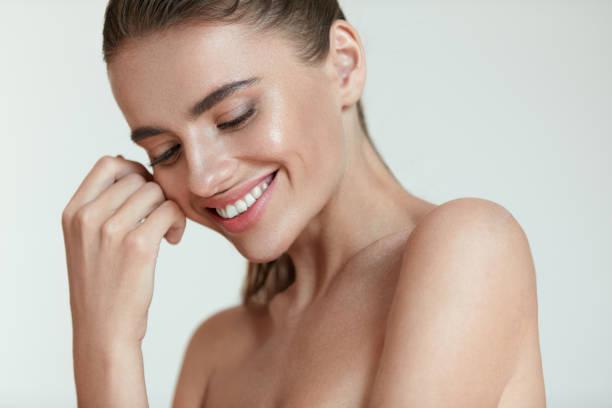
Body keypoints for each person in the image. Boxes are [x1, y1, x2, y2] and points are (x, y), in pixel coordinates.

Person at [60, 0, 546, 406]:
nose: (202, 179)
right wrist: (106, 343)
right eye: (166, 151)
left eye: (234, 116)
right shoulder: (216, 352)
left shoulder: (469, 248)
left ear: (344, 65)